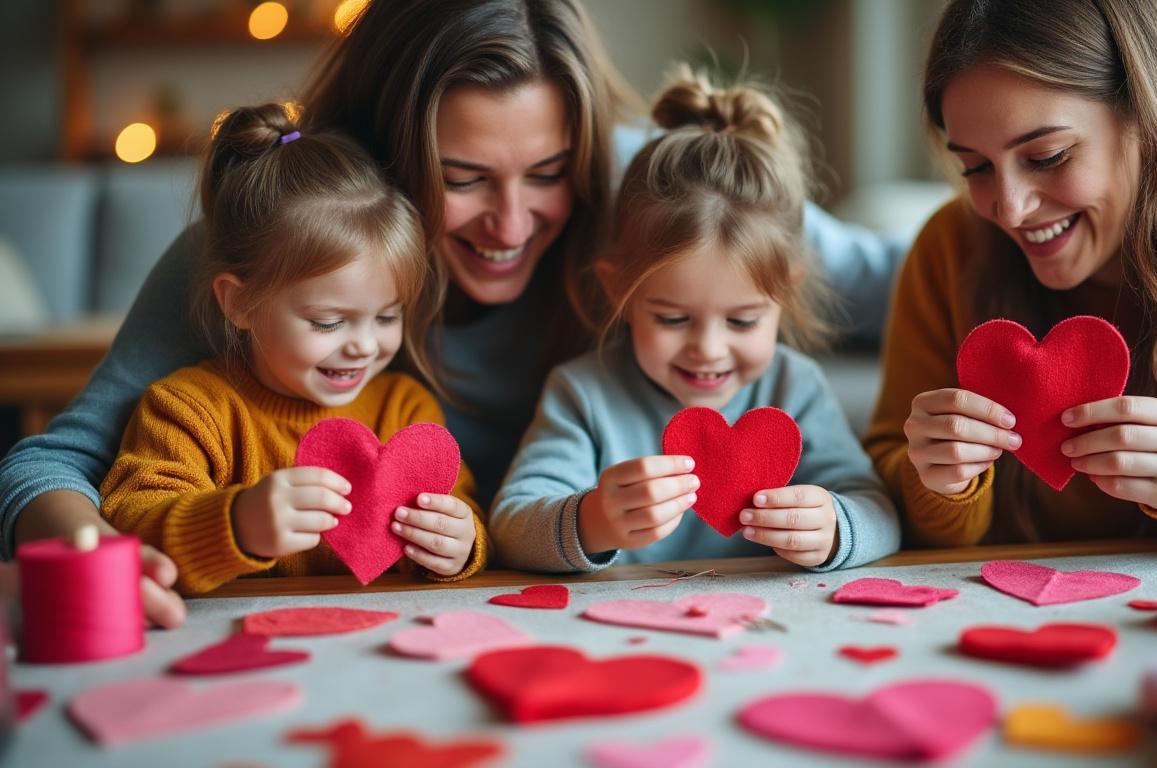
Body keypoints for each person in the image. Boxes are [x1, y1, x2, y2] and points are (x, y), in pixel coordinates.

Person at [0, 0, 907, 624]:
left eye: (547, 175)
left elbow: (889, 278)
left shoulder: (651, 192)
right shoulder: (291, 237)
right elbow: (54, 462)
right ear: (392, 157)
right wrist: (92, 555)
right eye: (463, 180)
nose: (511, 225)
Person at [864, 0, 1157, 552]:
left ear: (1151, 116)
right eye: (976, 167)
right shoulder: (950, 248)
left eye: (1048, 156)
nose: (1010, 208)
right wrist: (937, 482)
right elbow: (886, 491)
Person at [491, 66, 901, 573]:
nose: (707, 348)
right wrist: (591, 520)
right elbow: (511, 524)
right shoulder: (584, 394)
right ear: (618, 287)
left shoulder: (795, 387)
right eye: (673, 319)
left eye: (743, 322)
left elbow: (879, 511)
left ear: (784, 294)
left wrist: (837, 527)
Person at [98, 104, 486, 594]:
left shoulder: (405, 407)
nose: (365, 345)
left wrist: (460, 543)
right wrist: (235, 524)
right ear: (239, 304)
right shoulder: (188, 410)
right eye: (328, 322)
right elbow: (130, 522)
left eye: (388, 316)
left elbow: (463, 507)